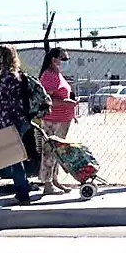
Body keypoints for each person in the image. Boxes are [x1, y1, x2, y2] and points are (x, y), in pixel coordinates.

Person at [0, 44, 35, 204]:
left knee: (12, 159)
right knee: (14, 157)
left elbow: (6, 104)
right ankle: (24, 187)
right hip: (23, 119)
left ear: (3, 57)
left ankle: (22, 195)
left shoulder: (6, 77)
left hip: (12, 121)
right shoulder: (18, 74)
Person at [38, 47, 77, 194]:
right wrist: (67, 104)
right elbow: (48, 100)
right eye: (64, 58)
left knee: (58, 152)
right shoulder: (48, 76)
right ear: (54, 60)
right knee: (49, 152)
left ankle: (54, 180)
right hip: (52, 120)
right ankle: (48, 184)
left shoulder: (58, 75)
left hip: (62, 119)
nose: (66, 61)